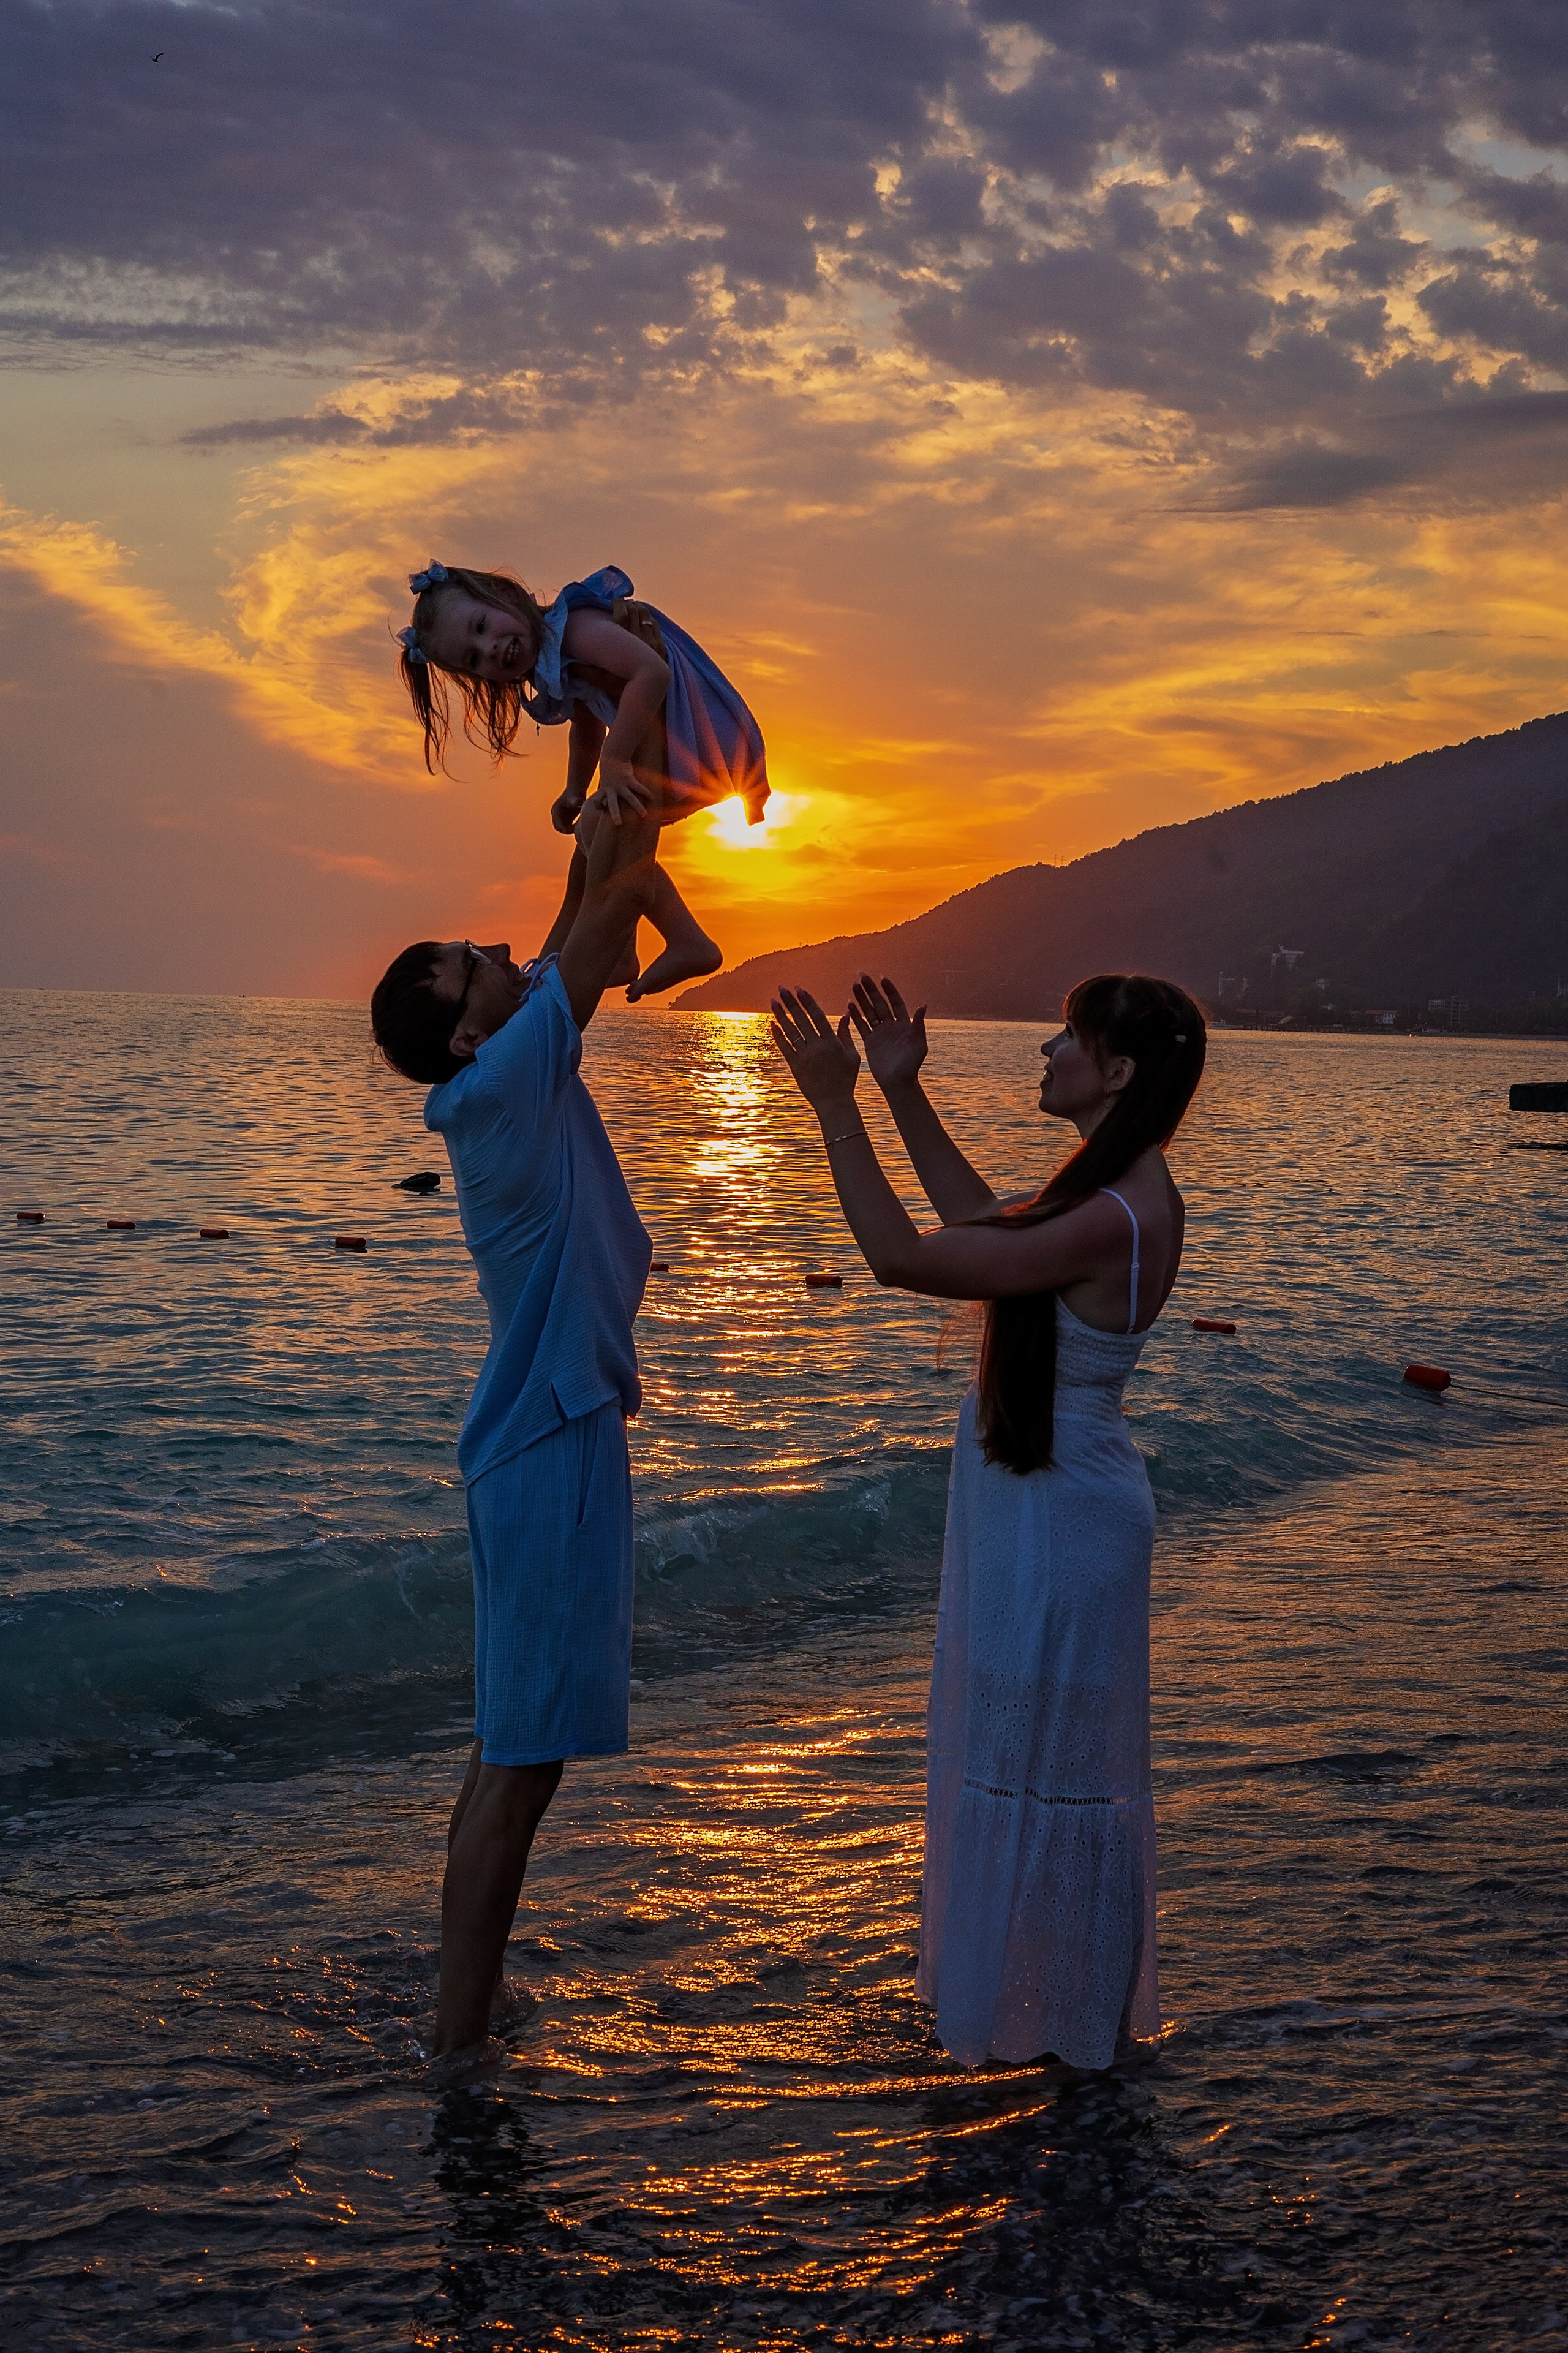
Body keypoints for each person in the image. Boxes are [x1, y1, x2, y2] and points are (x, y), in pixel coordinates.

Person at [769, 970, 1206, 2071]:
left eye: (1071, 1038)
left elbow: (905, 1257)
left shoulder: (1119, 1209)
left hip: (1062, 1521)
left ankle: (1059, 2031)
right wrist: (900, 1092)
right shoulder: (1113, 1189)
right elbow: (985, 1229)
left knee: (1053, 1775)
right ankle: (1052, 2025)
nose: (1048, 1050)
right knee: (1035, 1766)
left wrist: (834, 1104)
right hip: (1049, 1503)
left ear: (1118, 1074)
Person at [369, 807, 660, 2065]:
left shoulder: (498, 1074)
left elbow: (561, 936)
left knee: (507, 1756)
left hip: (533, 1444)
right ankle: (455, 2046)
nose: (491, 945)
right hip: (552, 1446)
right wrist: (622, 821)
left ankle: (462, 2013)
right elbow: (601, 921)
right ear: (470, 1029)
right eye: (466, 960)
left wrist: (591, 840)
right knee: (522, 1765)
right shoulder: (506, 1080)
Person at [396, 558, 769, 1002]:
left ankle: (689, 940)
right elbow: (588, 718)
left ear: (508, 597)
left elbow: (652, 673)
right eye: (474, 659)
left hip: (701, 734)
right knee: (593, 837)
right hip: (676, 741)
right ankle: (622, 950)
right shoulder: (554, 656)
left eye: (482, 625)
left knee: (599, 824)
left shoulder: (575, 629)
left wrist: (615, 762)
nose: (489, 649)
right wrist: (575, 788)